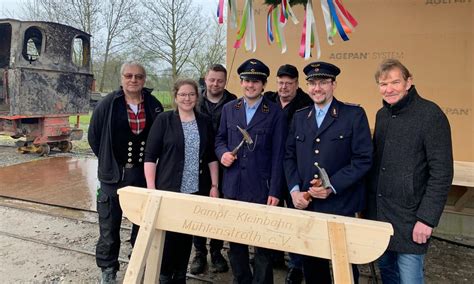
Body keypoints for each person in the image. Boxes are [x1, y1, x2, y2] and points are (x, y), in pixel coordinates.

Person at [284, 61, 373, 284]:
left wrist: (331, 186)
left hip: (340, 204)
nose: (317, 88)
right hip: (307, 204)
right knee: (313, 267)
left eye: (323, 82)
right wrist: (295, 191)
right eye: (312, 83)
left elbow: (363, 160)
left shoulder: (353, 115)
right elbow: (289, 156)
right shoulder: (300, 117)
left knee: (344, 266)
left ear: (334, 84)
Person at [366, 59, 453, 283]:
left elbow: (442, 173)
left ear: (409, 82)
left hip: (412, 220)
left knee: (410, 279)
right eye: (383, 84)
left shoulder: (430, 115)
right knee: (388, 276)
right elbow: (377, 168)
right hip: (382, 217)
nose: (389, 89)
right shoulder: (382, 116)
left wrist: (427, 219)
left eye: (395, 82)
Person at [88, 62, 164, 283]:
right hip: (114, 177)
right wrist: (108, 162)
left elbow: (160, 138)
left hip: (142, 176)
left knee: (142, 225)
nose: (133, 80)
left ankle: (137, 262)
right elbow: (94, 137)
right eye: (129, 76)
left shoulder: (154, 105)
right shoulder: (108, 104)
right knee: (109, 226)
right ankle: (108, 270)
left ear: (144, 79)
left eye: (138, 76)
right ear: (122, 78)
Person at [215, 58, 286, 284]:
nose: (250, 85)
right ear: (241, 82)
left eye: (255, 81)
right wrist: (223, 153)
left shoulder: (275, 113)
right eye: (246, 80)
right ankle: (241, 280)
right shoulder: (229, 109)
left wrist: (275, 190)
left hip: (261, 189)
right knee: (235, 243)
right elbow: (219, 140)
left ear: (263, 84)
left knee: (263, 246)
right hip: (233, 187)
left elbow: (279, 155)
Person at [144, 79, 219, 283]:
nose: (187, 98)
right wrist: (152, 189)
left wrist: (214, 185)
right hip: (169, 188)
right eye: (183, 95)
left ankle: (180, 275)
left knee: (187, 236)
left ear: (197, 96)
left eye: (191, 94)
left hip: (196, 189)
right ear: (175, 97)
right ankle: (165, 275)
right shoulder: (164, 120)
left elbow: (211, 155)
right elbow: (150, 156)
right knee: (169, 237)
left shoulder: (204, 121)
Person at [264, 64, 312, 284]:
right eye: (280, 82)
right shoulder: (268, 100)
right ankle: (275, 255)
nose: (284, 87)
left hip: (296, 170)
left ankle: (296, 265)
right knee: (273, 216)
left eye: (289, 83)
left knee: (296, 219)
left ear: (297, 84)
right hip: (271, 169)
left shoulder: (307, 104)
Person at [190, 64, 236, 275]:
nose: (215, 84)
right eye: (211, 79)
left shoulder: (235, 102)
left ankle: (216, 251)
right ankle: (199, 252)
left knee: (219, 210)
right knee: (199, 208)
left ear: (225, 82)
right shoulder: (194, 101)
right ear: (205, 79)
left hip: (226, 164)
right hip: (198, 163)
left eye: (219, 80)